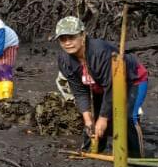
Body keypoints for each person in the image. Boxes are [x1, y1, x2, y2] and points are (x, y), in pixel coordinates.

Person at [55, 16, 148, 157]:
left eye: (72, 37)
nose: (67, 43)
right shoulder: (64, 59)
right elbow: (79, 91)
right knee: (92, 121)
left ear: (83, 35)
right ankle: (92, 151)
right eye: (63, 39)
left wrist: (103, 118)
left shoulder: (100, 52)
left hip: (131, 80)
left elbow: (112, 87)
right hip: (99, 85)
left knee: (127, 117)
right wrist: (88, 119)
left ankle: (135, 155)